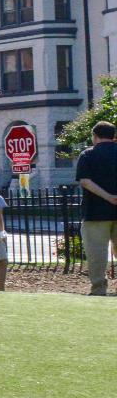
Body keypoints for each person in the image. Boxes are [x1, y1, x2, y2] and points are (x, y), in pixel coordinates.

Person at [77, 120, 117, 295]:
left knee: (97, 254)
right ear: (113, 136)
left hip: (95, 213)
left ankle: (99, 289)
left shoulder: (87, 155)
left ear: (95, 136)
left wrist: (108, 197)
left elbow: (85, 181)